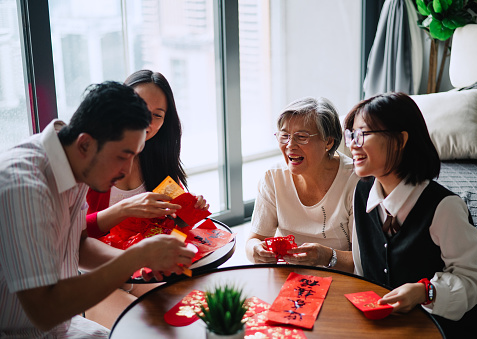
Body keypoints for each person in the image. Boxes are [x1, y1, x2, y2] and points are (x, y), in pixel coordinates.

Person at [0, 81, 197, 338]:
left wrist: (145, 261)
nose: (127, 170)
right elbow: (43, 310)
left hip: (59, 326)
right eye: (122, 156)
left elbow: (79, 246)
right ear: (85, 144)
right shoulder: (24, 187)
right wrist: (135, 257)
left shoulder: (73, 160)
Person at [344, 92, 477, 338]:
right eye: (351, 134)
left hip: (446, 331)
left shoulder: (444, 207)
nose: (353, 144)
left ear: (400, 139)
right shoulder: (362, 192)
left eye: (363, 134)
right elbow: (363, 268)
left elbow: (470, 282)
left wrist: (426, 292)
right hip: (392, 328)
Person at [84, 70, 209, 328]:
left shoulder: (158, 162)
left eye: (157, 116)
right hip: (95, 274)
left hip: (144, 271)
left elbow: (174, 234)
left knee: (192, 316)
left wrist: (189, 214)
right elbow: (70, 235)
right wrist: (125, 209)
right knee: (139, 327)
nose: (146, 121)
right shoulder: (87, 159)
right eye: (139, 108)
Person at [245, 97, 359, 270]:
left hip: (339, 278)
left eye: (302, 137)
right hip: (288, 276)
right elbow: (254, 239)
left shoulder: (355, 180)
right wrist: (256, 250)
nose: (290, 145)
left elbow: (363, 260)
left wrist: (326, 256)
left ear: (328, 142)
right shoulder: (273, 178)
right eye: (284, 136)